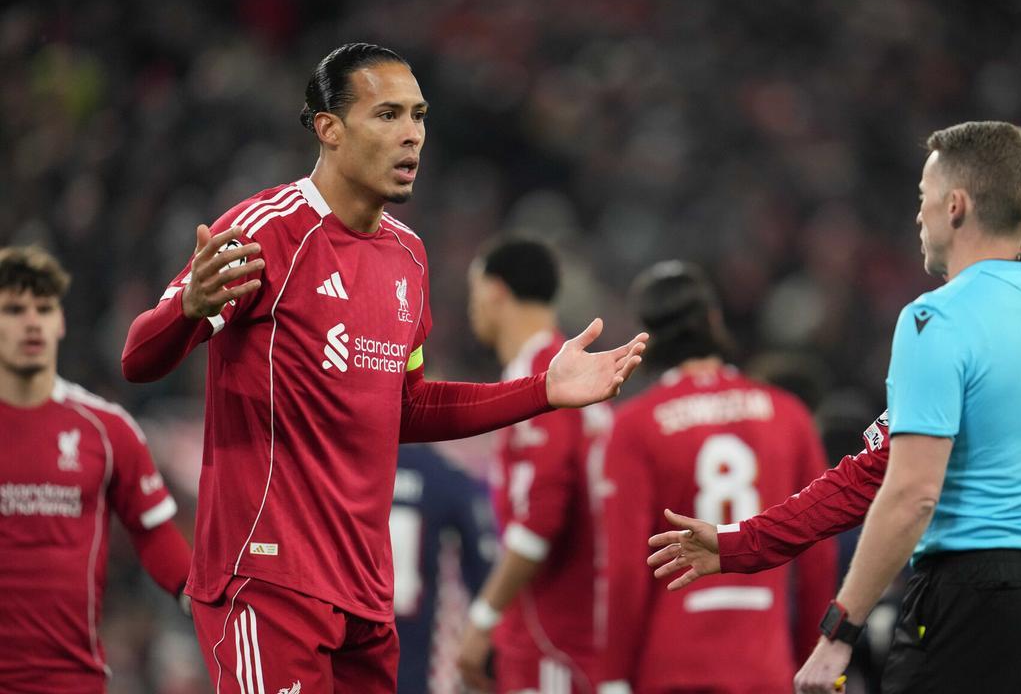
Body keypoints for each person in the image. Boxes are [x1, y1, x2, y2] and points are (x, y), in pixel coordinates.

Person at [120, 43, 647, 694]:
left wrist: (542, 391)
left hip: (366, 599)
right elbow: (138, 359)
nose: (412, 135)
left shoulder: (410, 258)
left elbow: (409, 407)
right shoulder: (267, 231)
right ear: (329, 128)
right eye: (388, 115)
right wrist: (190, 313)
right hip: (268, 582)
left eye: (419, 116)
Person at [649, 177, 1021, 693]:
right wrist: (739, 544)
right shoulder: (960, 349)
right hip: (989, 652)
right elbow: (867, 476)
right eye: (1019, 247)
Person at [599, 260, 838, 694]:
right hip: (765, 666)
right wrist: (810, 662)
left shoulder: (635, 426)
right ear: (713, 319)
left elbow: (625, 569)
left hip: (673, 668)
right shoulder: (789, 416)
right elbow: (819, 560)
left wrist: (614, 676)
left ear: (647, 339)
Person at [0, 246, 192, 694]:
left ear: (60, 322)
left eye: (43, 309)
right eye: (14, 309)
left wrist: (202, 597)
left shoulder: (106, 430)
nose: (32, 322)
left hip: (71, 681)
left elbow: (155, 534)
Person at [458, 235, 611, 694]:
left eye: (474, 294)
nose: (472, 310)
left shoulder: (548, 377)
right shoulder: (562, 371)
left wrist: (483, 616)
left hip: (556, 630)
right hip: (562, 623)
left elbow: (542, 515)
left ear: (495, 291)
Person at [392, 443, 495, 694]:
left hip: (351, 643)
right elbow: (484, 567)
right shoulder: (445, 476)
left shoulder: (351, 469)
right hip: (418, 654)